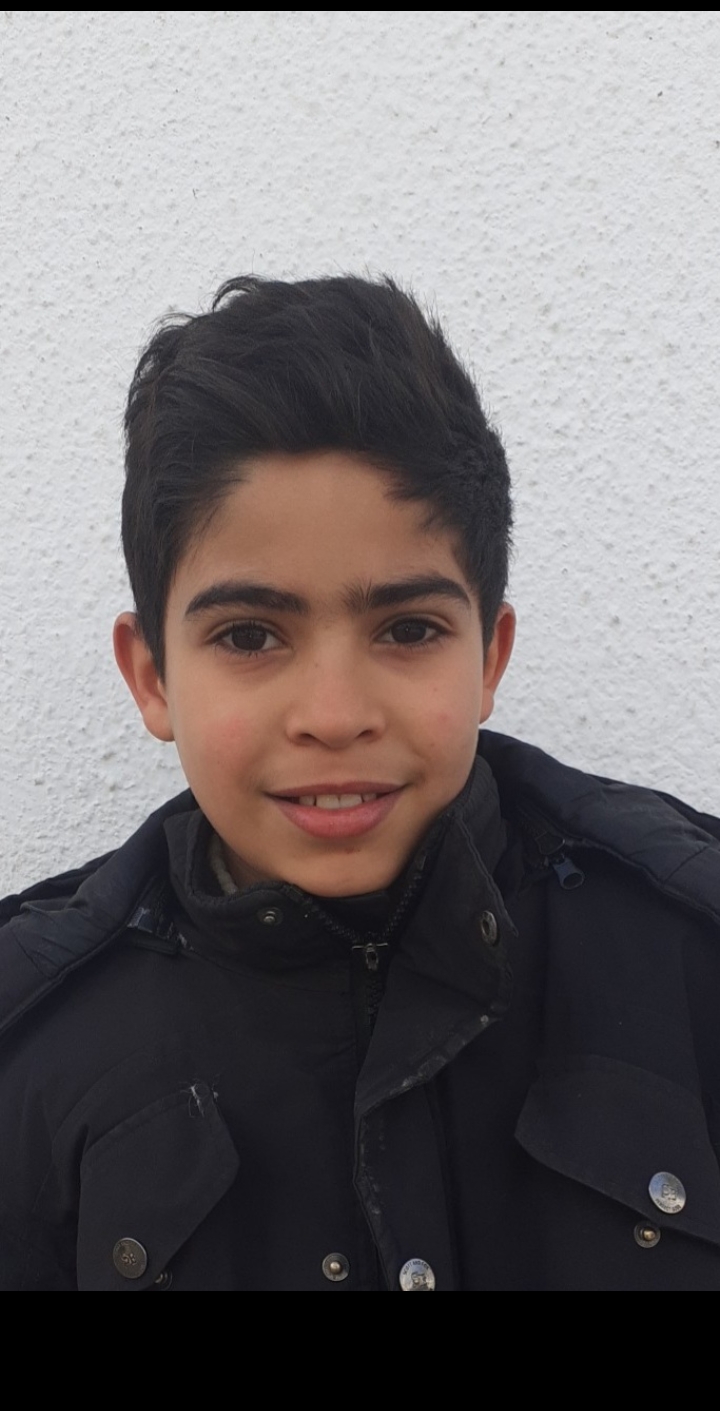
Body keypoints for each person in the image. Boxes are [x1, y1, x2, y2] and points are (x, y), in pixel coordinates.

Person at [2, 274, 720, 1293]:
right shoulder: (33, 1053)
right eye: (249, 636)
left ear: (489, 656)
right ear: (152, 675)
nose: (335, 715)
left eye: (408, 628)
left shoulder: (687, 952)